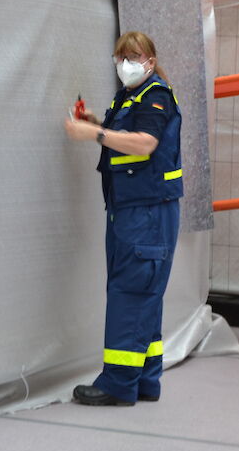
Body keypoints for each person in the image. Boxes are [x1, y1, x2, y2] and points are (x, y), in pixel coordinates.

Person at [64, 31, 183, 406]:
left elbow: (145, 143)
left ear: (149, 60)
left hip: (145, 212)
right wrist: (99, 121)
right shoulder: (131, 97)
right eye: (120, 58)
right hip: (134, 209)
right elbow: (127, 135)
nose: (124, 64)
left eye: (131, 57)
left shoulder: (155, 96)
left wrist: (94, 133)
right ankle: (145, 379)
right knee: (144, 295)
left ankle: (117, 384)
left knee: (130, 294)